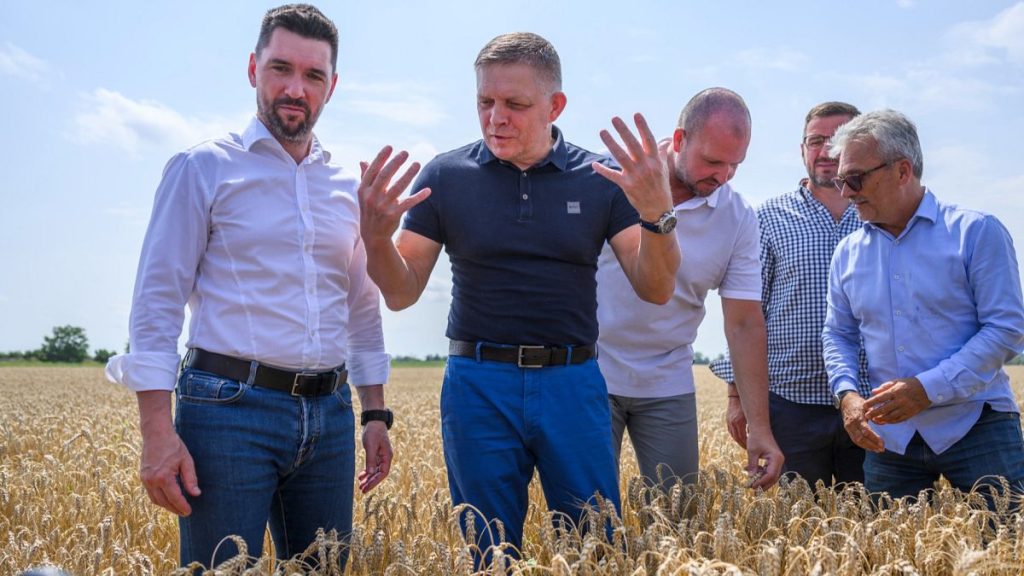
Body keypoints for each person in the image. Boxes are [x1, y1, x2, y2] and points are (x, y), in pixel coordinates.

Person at [356, 32, 679, 558]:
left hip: (572, 383)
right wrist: (374, 237)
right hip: (478, 386)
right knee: (487, 551)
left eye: (515, 104)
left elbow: (656, 287)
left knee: (594, 549)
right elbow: (401, 291)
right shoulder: (446, 176)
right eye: (484, 102)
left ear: (556, 105)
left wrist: (657, 215)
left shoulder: (600, 180)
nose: (495, 118)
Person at [104, 4, 393, 571]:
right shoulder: (202, 168)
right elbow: (157, 305)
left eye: (313, 76)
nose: (294, 88)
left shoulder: (348, 185)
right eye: (280, 68)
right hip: (227, 412)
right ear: (252, 69)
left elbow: (362, 306)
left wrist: (374, 415)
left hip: (330, 416)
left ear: (331, 87)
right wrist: (156, 434)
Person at [822, 109, 1024, 504]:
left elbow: (1006, 329)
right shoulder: (847, 253)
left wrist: (927, 389)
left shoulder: (977, 232)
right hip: (890, 439)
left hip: (978, 424)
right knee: (888, 561)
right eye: (840, 180)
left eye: (855, 178)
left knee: (1007, 549)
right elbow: (838, 333)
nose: (845, 191)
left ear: (902, 171)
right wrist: (847, 395)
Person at [596, 88, 782, 492]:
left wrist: (760, 428)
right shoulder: (610, 179)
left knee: (680, 510)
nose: (724, 176)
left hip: (668, 380)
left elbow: (745, 324)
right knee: (588, 514)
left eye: (735, 165)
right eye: (713, 161)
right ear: (679, 141)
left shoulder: (738, 218)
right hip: (591, 375)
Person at [711, 102, 871, 488]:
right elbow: (747, 311)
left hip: (868, 403)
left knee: (874, 529)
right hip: (790, 405)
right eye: (816, 140)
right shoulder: (767, 218)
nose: (826, 150)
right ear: (802, 149)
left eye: (839, 140)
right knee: (795, 531)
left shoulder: (879, 216)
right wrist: (736, 397)